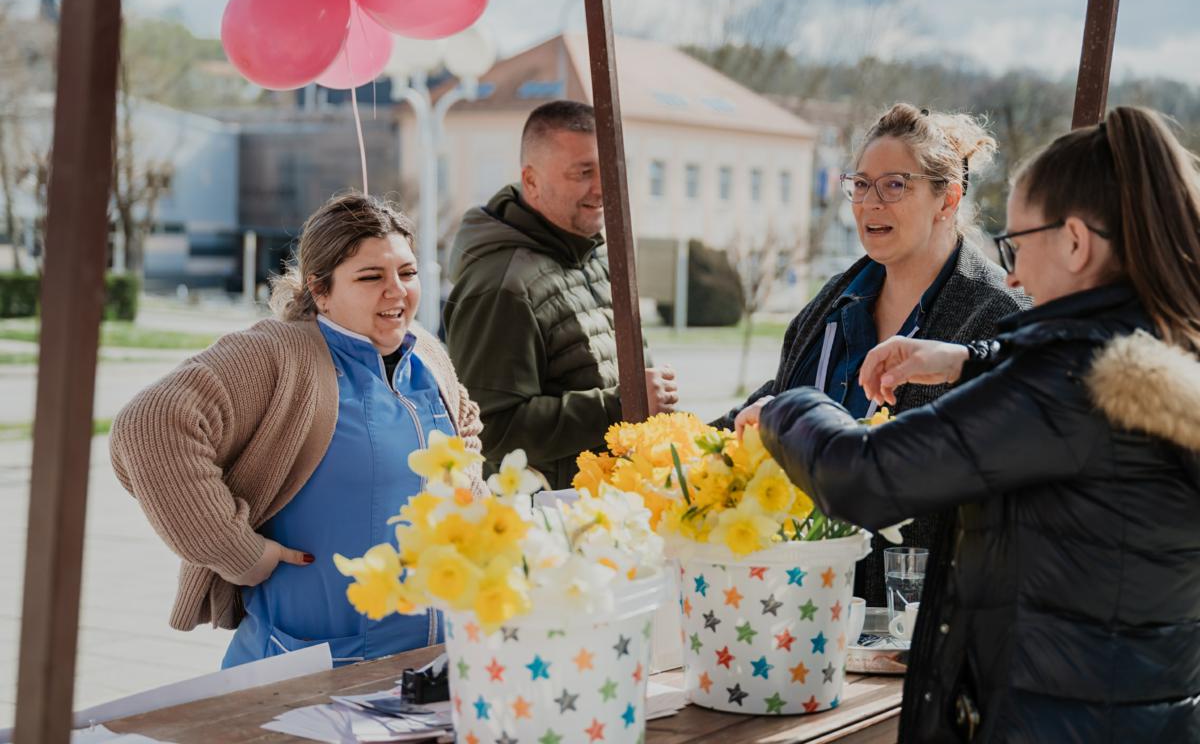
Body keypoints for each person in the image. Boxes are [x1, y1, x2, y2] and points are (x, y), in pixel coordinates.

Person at [751, 106, 1200, 742]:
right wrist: (971, 358)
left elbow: (862, 477)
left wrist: (787, 406)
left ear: (1075, 242)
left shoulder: (1064, 386)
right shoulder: (1157, 354)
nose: (1012, 274)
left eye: (1018, 245)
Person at [110, 193, 484, 668]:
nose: (397, 291)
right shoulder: (280, 353)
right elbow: (149, 425)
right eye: (371, 277)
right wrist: (238, 551)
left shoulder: (425, 352)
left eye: (407, 273)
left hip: (433, 660)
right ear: (320, 290)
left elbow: (464, 425)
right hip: (313, 668)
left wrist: (473, 509)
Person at [721, 103, 1029, 606]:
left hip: (923, 616)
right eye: (861, 184)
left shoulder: (999, 313)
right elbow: (775, 400)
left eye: (894, 185)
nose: (870, 203)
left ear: (948, 199)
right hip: (802, 604)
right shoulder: (830, 304)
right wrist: (667, 445)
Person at [444, 100, 677, 489]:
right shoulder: (501, 285)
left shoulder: (595, 254)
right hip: (548, 517)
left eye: (610, 170)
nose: (602, 188)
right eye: (583, 173)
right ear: (531, 181)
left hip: (615, 503)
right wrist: (622, 404)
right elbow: (490, 429)